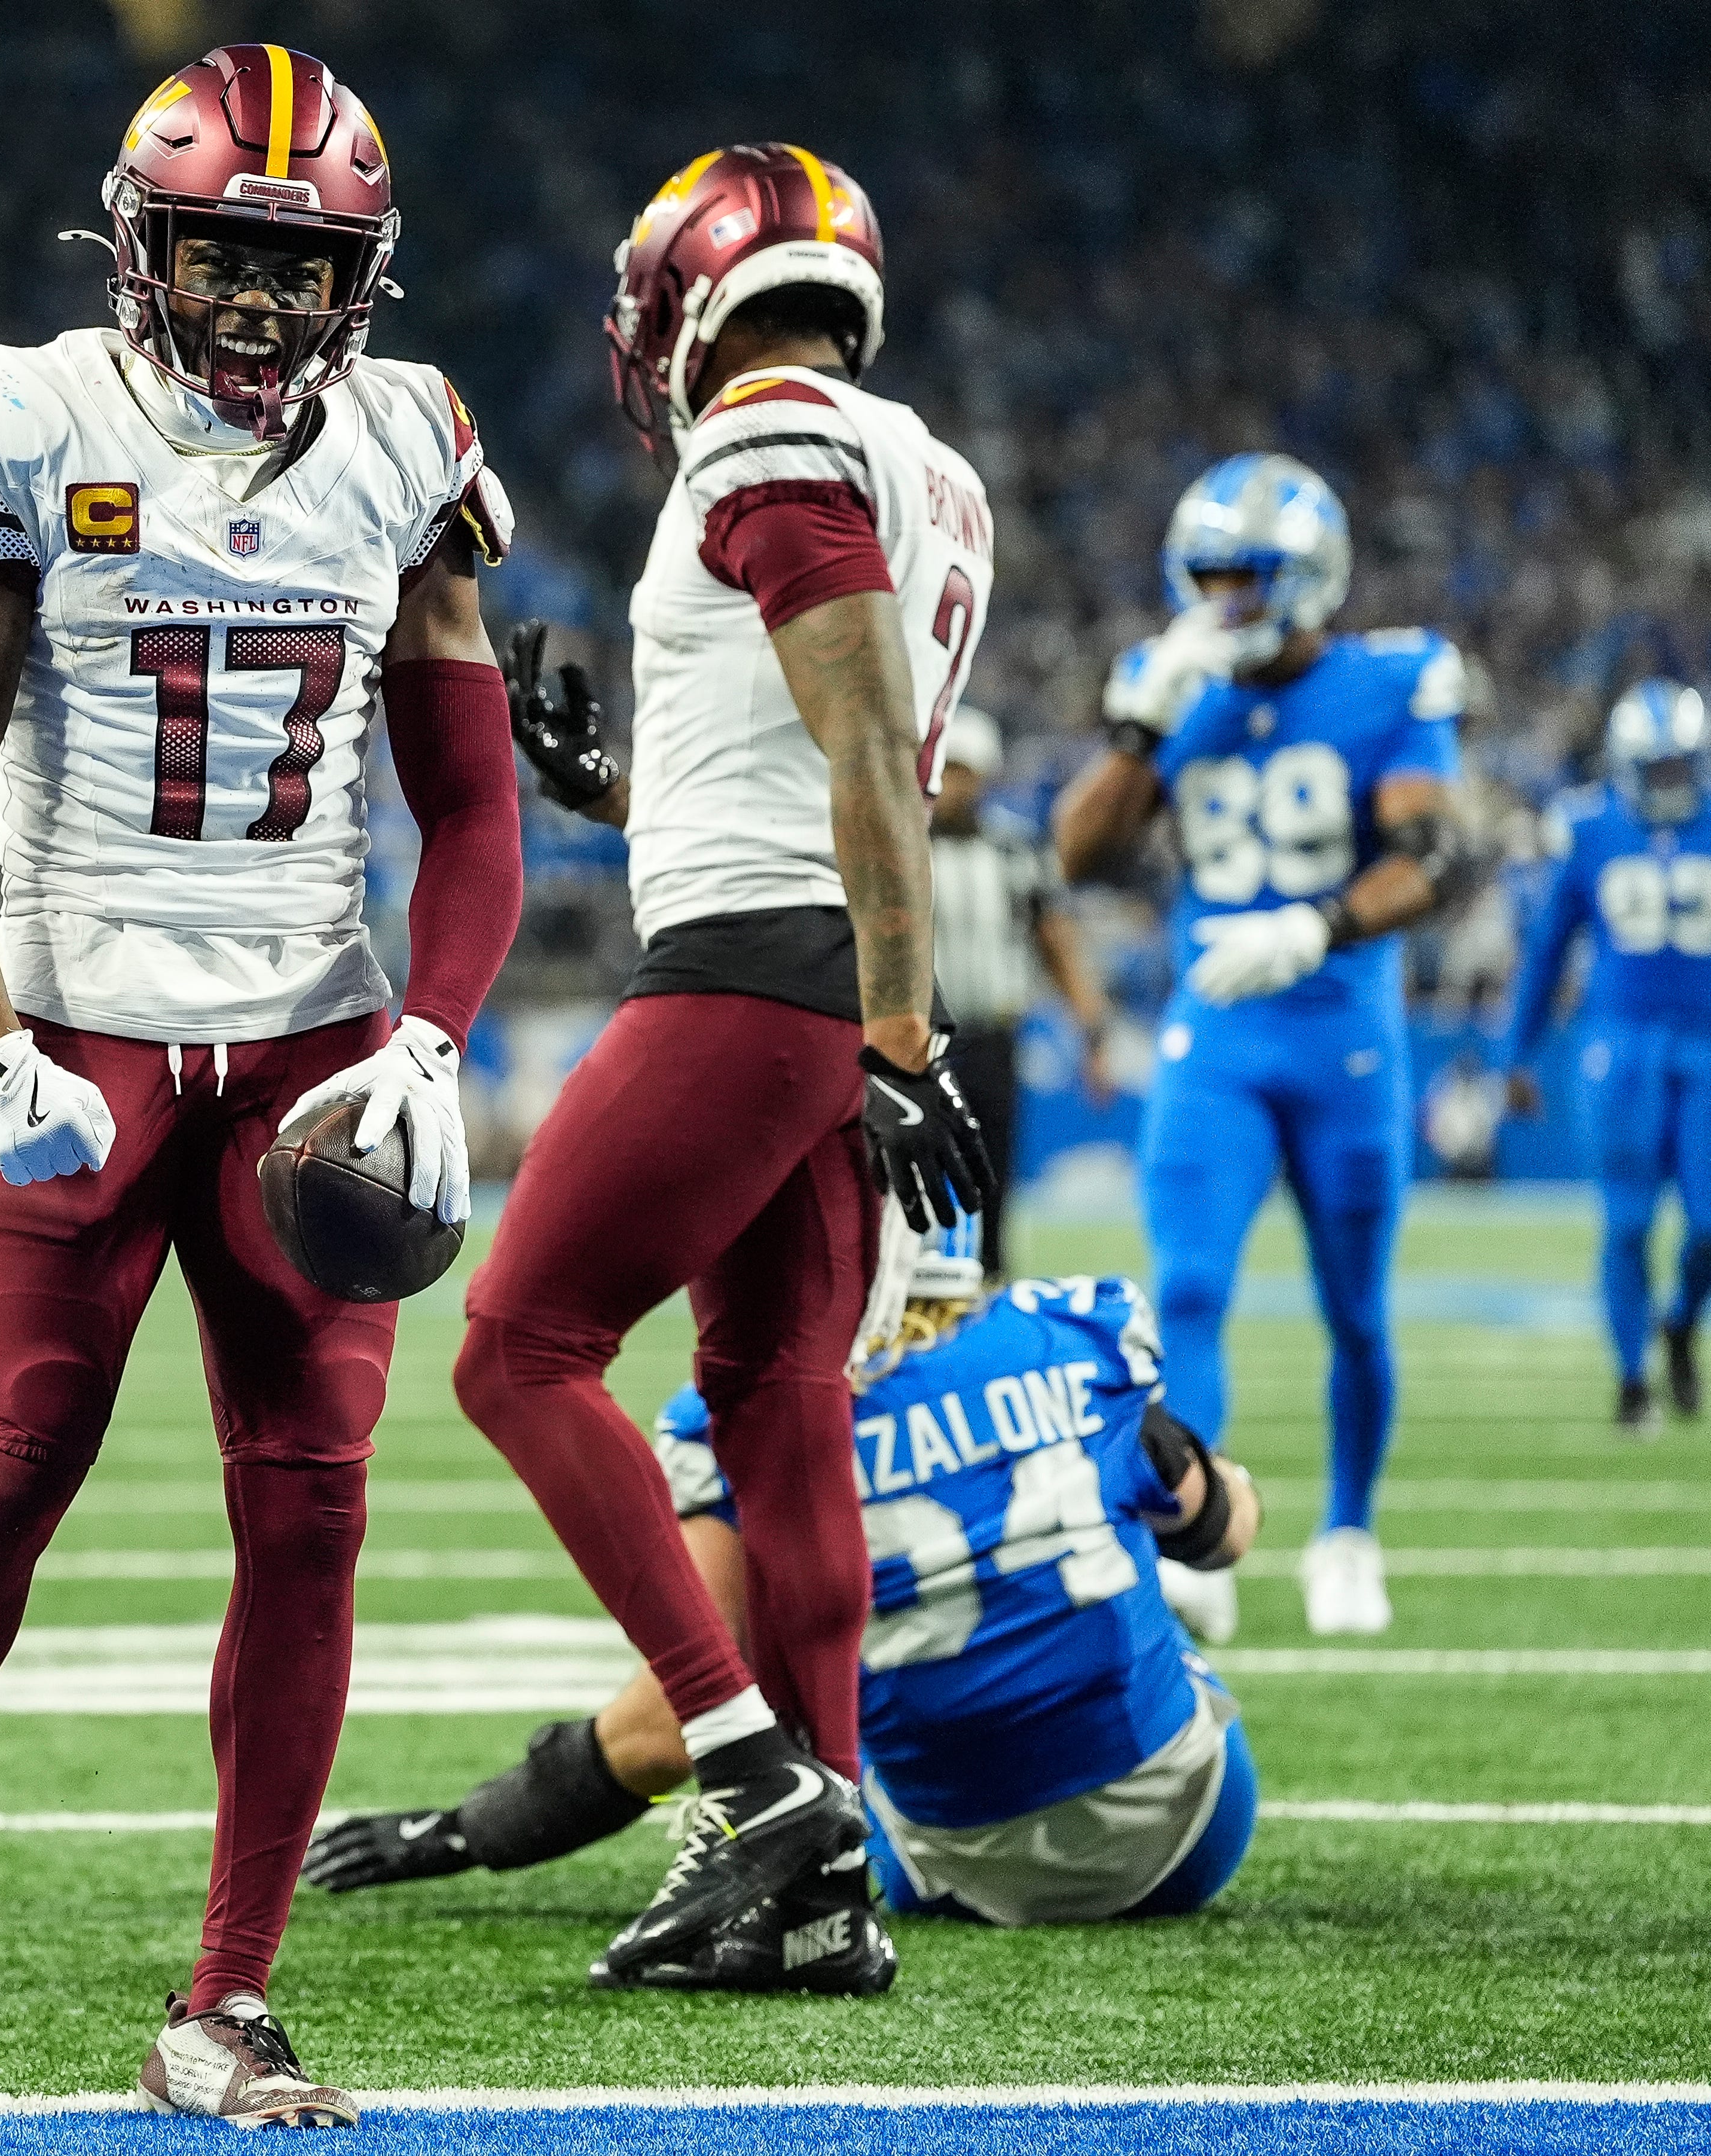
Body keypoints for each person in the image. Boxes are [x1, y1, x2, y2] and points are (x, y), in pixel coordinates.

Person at [0, 41, 523, 2123]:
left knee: (311, 1506)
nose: (255, 298)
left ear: (361, 282)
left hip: (312, 1041)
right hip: (87, 1030)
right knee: (8, 1467)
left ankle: (225, 1995)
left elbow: (476, 812)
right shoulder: (32, 420)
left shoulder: (409, 443)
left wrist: (431, 1034)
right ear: (144, 249)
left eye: (297, 263)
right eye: (221, 251)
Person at [471, 142, 997, 1990]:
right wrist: (604, 789)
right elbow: (804, 756)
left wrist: (899, 1027)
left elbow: (860, 757)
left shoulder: (763, 438)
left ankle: (754, 1775)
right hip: (802, 978)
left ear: (683, 287)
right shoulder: (918, 462)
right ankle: (824, 1876)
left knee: (512, 1351)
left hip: (765, 987)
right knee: (774, 1400)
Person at [308, 1227, 1261, 1961]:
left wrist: (467, 1830)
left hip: (969, 1867)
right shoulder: (1076, 1333)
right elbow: (1223, 1535)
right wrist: (1178, 1465)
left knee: (802, 1722)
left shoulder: (735, 1423)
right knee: (1138, 1621)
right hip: (1192, 1830)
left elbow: (666, 1730)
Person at [1053, 454, 1473, 1641]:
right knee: (1186, 1282)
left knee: (1355, 1312)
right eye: (1210, 576)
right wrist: (1140, 727)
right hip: (1215, 1038)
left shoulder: (1393, 678)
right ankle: (1199, 1533)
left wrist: (1319, 926)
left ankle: (1347, 1529)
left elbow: (1438, 857)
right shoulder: (1165, 681)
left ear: (1312, 575)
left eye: (1250, 577)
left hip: (1345, 1033)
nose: (1226, 600)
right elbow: (1071, 857)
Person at [1503, 679, 1711, 1431]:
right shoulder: (1589, 828)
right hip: (1620, 1047)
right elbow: (1546, 951)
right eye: (1653, 768)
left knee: (1707, 1224)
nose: (1668, 783)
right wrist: (1516, 1054)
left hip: (1706, 1043)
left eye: (1677, 767)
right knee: (1625, 1222)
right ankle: (1630, 1380)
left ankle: (1682, 1320)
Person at [928, 705, 1117, 1278]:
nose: (954, 784)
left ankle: (985, 1304)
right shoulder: (902, 848)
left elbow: (1055, 941)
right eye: (946, 770)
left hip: (990, 1036)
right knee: (904, 1185)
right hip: (917, 1041)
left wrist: (1093, 1030)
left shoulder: (1014, 851)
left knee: (993, 1184)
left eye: (965, 771)